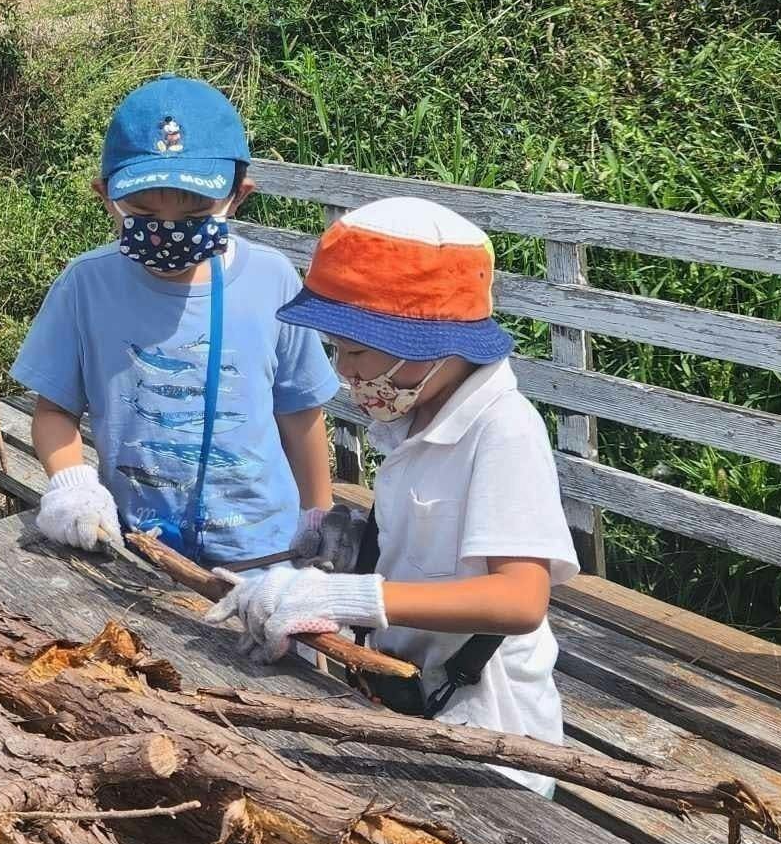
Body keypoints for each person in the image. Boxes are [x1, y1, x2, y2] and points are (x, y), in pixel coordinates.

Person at [204, 197, 579, 794]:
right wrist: (350, 552)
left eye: (354, 350)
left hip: (489, 735)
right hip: (405, 695)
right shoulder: (414, 417)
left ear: (426, 341)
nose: (345, 370)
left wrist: (345, 596)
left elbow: (521, 599)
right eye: (337, 349)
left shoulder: (503, 428)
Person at [10, 76, 337, 570]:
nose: (166, 233)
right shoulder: (85, 287)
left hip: (267, 547)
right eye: (142, 212)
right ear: (106, 197)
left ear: (237, 197)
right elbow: (54, 410)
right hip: (139, 545)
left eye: (195, 214)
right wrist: (73, 485)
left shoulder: (273, 279)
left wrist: (318, 514)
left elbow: (300, 410)